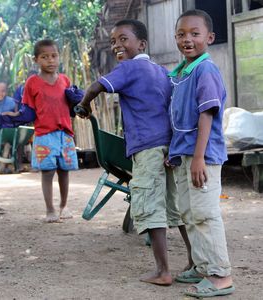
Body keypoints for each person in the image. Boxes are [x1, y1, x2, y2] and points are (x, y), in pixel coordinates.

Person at [75, 19, 192, 285]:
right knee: (174, 205)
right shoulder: (162, 72)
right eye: (114, 41)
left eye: (123, 39)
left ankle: (163, 271)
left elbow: (96, 86)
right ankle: (194, 261)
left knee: (151, 206)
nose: (117, 44)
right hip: (168, 148)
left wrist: (84, 105)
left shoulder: (128, 68)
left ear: (141, 44)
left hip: (147, 147)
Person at [168, 9, 235, 298]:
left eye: (195, 34)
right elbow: (178, 116)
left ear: (209, 37)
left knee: (205, 214)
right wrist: (174, 152)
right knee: (189, 212)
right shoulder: (183, 71)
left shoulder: (205, 69)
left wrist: (198, 157)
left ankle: (221, 276)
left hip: (202, 157)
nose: (187, 39)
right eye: (181, 34)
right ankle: (201, 264)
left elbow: (205, 114)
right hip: (184, 154)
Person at [2, 39, 78, 223]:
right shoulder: (32, 83)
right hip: (44, 135)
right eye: (45, 57)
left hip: (65, 134)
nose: (50, 61)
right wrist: (13, 117)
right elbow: (27, 110)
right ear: (36, 60)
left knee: (64, 171)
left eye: (54, 56)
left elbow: (71, 108)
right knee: (48, 172)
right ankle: (50, 210)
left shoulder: (65, 80)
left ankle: (63, 206)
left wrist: (78, 101)